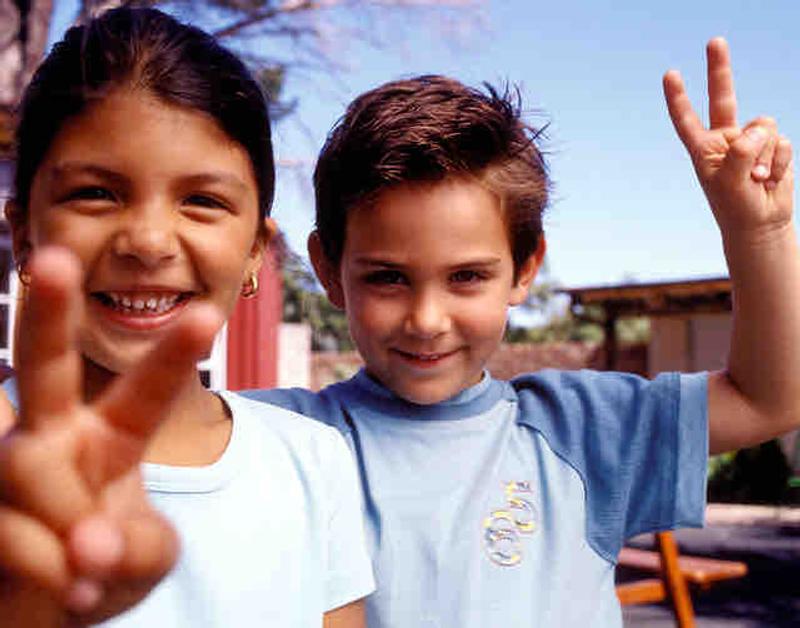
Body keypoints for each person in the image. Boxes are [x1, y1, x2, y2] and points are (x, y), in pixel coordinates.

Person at [239, 38, 798, 627]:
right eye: (387, 278)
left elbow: (771, 398)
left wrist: (758, 234)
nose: (427, 320)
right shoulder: (280, 442)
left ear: (524, 269)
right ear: (328, 270)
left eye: (467, 277)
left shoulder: (582, 430)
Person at [0, 7, 372, 627]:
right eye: (94, 192)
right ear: (25, 236)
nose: (148, 241)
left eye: (202, 201)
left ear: (257, 249)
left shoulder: (314, 465)